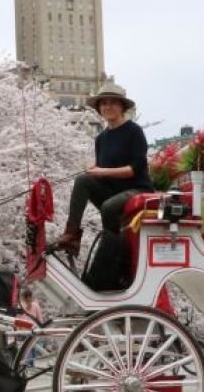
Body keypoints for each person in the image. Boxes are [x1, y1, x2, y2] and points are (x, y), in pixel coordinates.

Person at [53, 81, 153, 260]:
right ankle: (72, 234)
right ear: (99, 108)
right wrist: (95, 171)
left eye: (113, 102)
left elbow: (133, 170)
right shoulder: (101, 139)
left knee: (109, 207)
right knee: (83, 180)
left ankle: (114, 254)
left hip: (137, 190)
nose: (108, 106)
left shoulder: (134, 131)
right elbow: (103, 176)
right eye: (104, 103)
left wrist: (102, 171)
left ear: (122, 106)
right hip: (112, 191)